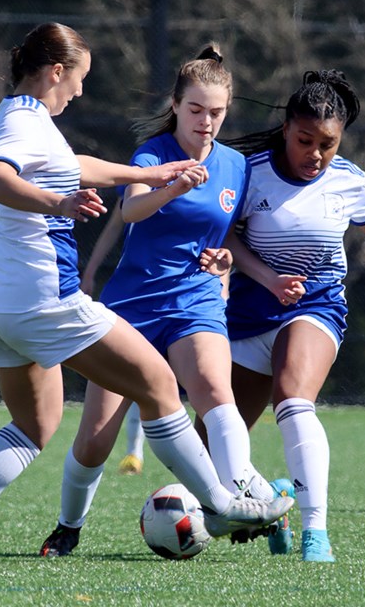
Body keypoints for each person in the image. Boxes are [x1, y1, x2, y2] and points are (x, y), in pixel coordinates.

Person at [0, 23, 293, 561]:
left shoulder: (25, 117)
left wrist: (155, 173)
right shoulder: (25, 120)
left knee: (34, 423)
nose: (80, 90)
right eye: (80, 78)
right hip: (43, 296)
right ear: (55, 71)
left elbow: (79, 167)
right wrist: (59, 206)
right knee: (160, 385)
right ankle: (222, 502)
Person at [205, 69, 365, 563]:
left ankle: (315, 533)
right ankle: (273, 502)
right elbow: (226, 235)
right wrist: (265, 278)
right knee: (215, 445)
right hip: (246, 314)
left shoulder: (349, 179)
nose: (316, 155)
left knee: (291, 397)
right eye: (306, 141)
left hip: (314, 306)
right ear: (286, 128)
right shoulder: (249, 172)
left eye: (327, 144)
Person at [38, 44, 290, 558]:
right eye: (196, 110)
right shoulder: (153, 154)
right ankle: (69, 526)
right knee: (96, 438)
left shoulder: (234, 166)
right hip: (132, 306)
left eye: (216, 112)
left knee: (218, 394)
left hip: (195, 302)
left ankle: (240, 495)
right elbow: (130, 211)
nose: (206, 121)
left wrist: (225, 260)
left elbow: (228, 236)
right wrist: (172, 187)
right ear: (176, 106)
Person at [78, 203, 145, 476]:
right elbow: (115, 224)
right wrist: (91, 270)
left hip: (185, 298)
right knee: (133, 378)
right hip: (133, 293)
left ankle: (228, 483)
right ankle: (134, 452)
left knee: (162, 386)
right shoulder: (141, 170)